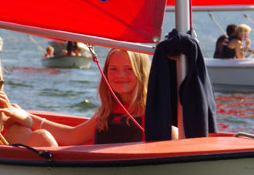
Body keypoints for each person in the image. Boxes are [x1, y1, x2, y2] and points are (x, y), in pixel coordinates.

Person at [38, 49, 175, 145]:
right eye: (113, 69)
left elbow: (174, 136)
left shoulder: (153, 113)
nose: (120, 75)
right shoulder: (106, 111)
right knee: (36, 136)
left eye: (129, 69)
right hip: (100, 173)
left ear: (142, 72)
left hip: (134, 174)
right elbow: (71, 137)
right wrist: (29, 118)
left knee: (40, 137)